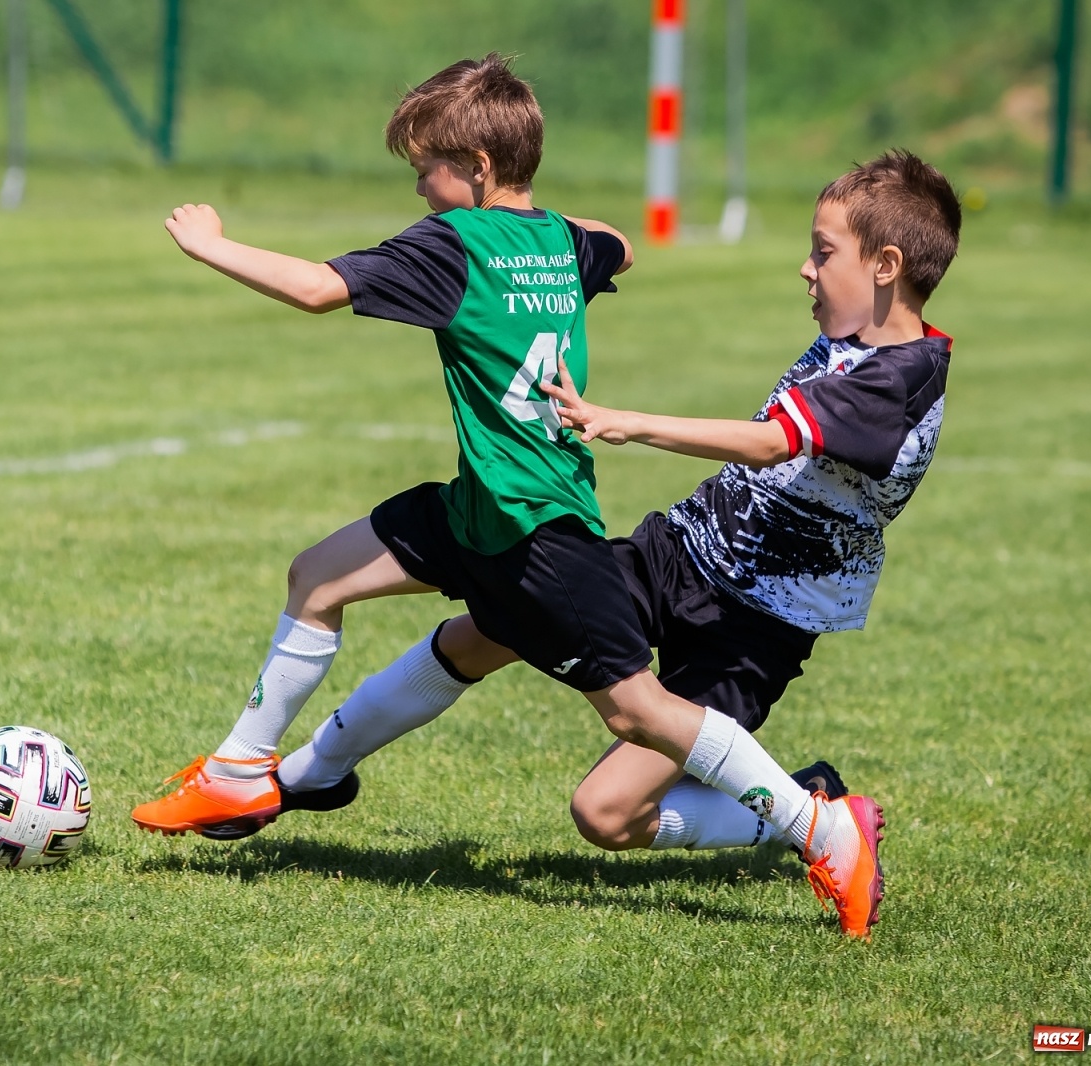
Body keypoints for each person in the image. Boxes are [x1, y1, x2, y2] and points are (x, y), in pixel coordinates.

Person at [131, 55, 886, 939]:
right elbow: (624, 244)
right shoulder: (564, 243)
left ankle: (818, 823)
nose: (419, 188)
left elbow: (314, 289)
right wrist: (547, 222)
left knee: (635, 710)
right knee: (320, 576)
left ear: (480, 171)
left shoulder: (452, 247)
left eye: (428, 168)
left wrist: (209, 240)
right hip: (477, 509)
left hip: (541, 535)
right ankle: (245, 767)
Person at [272, 150, 960, 933]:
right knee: (493, 622)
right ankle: (308, 774)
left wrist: (626, 420)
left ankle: (807, 816)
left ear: (887, 265)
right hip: (678, 554)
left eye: (824, 252)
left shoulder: (901, 377)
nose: (805, 269)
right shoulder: (859, 335)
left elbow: (771, 444)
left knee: (605, 815)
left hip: (753, 628)